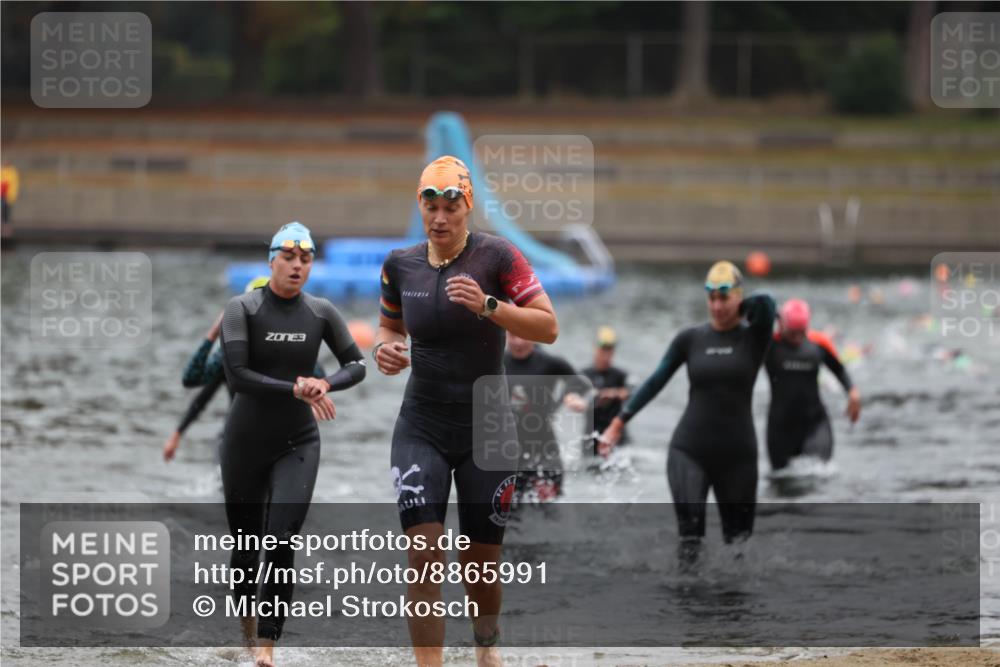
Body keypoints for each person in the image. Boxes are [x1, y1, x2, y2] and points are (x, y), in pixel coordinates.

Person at [374, 155, 558, 667]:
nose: (439, 217)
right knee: (424, 555)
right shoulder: (399, 264)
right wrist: (385, 350)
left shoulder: (497, 256)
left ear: (467, 206)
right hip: (422, 424)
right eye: (429, 205)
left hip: (488, 426)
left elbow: (547, 326)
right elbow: (390, 328)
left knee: (481, 564)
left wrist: (489, 307)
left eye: (450, 205)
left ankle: (486, 649)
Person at [219, 223, 366, 667]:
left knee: (282, 541)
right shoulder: (241, 308)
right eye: (289, 257)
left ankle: (266, 648)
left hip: (298, 440)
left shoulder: (320, 311)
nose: (298, 265)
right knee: (246, 545)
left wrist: (324, 383)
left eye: (305, 259)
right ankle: (246, 638)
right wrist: (295, 388)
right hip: (245, 440)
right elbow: (237, 374)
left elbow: (357, 364)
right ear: (272, 261)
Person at [600, 261, 776, 565]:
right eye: (711, 297)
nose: (717, 305)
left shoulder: (754, 338)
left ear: (739, 297)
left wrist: (743, 303)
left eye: (725, 297)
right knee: (690, 542)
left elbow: (768, 304)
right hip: (689, 451)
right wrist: (619, 421)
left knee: (738, 547)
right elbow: (656, 381)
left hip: (738, 457)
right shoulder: (690, 339)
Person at [162, 278, 327, 463]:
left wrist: (314, 401)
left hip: (281, 437)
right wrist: (213, 333)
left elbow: (320, 379)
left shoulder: (290, 350)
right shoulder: (229, 355)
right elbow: (196, 384)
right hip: (237, 436)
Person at [765, 298, 861, 472]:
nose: (797, 338)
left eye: (801, 332)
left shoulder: (818, 344)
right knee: (781, 482)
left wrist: (852, 392)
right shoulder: (769, 345)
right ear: (781, 324)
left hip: (815, 426)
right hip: (780, 431)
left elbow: (839, 370)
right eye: (792, 332)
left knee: (820, 474)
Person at [503, 333, 588, 502]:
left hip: (545, 453)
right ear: (505, 334)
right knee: (511, 519)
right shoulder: (496, 362)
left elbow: (579, 382)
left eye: (524, 336)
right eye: (513, 336)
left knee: (550, 512)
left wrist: (571, 395)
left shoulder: (550, 363)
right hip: (508, 456)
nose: (518, 342)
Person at [580, 326, 631, 456]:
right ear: (595, 348)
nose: (606, 355)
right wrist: (599, 397)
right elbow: (577, 397)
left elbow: (633, 392)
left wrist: (615, 394)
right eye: (603, 350)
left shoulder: (621, 375)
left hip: (616, 436)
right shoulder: (584, 375)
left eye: (610, 350)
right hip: (592, 436)